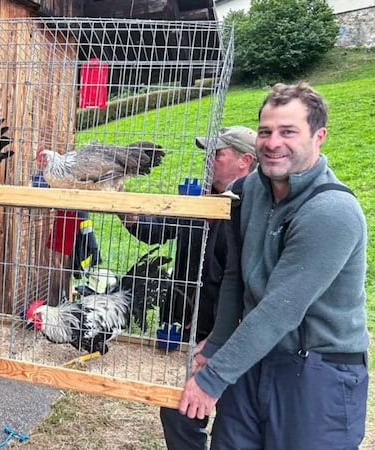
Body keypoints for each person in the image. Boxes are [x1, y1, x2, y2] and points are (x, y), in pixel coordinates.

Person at [179, 82, 369, 449]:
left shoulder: (331, 212)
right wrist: (217, 342)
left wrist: (212, 378)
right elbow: (234, 276)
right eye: (265, 131)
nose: (272, 142)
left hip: (318, 370)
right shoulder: (247, 192)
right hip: (255, 355)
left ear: (319, 137)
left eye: (288, 131)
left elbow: (280, 311)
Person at [122, 126, 257, 450]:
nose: (208, 159)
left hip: (232, 334)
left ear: (245, 161)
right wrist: (123, 206)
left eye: (218, 153)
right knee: (178, 412)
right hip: (185, 327)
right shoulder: (196, 198)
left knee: (234, 421)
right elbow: (156, 230)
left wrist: (225, 336)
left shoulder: (253, 211)